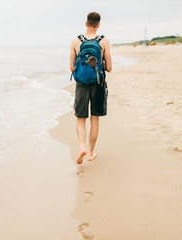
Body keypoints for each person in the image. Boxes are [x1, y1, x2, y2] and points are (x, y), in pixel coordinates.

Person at [69, 12, 112, 164]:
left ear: (86, 23)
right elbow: (109, 68)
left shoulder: (75, 41)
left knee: (81, 118)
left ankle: (82, 146)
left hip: (81, 85)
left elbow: (71, 67)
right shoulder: (104, 41)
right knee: (95, 119)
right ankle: (91, 152)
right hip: (98, 84)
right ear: (98, 25)